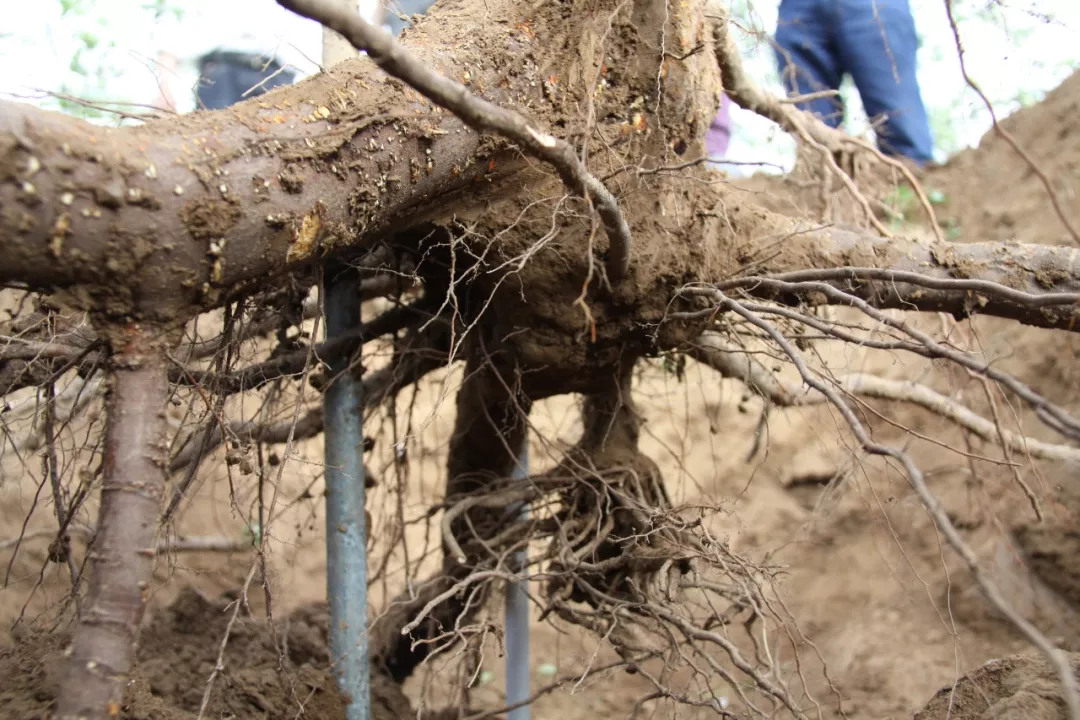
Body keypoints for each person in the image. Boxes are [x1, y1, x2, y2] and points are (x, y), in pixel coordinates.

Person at [773, 0, 934, 165]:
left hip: (875, 5)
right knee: (815, 151)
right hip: (796, 9)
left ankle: (915, 184)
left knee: (904, 143)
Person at [151, 1, 323, 113]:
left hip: (274, 75)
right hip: (221, 75)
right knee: (217, 143)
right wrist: (164, 90)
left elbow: (307, 36)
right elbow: (171, 32)